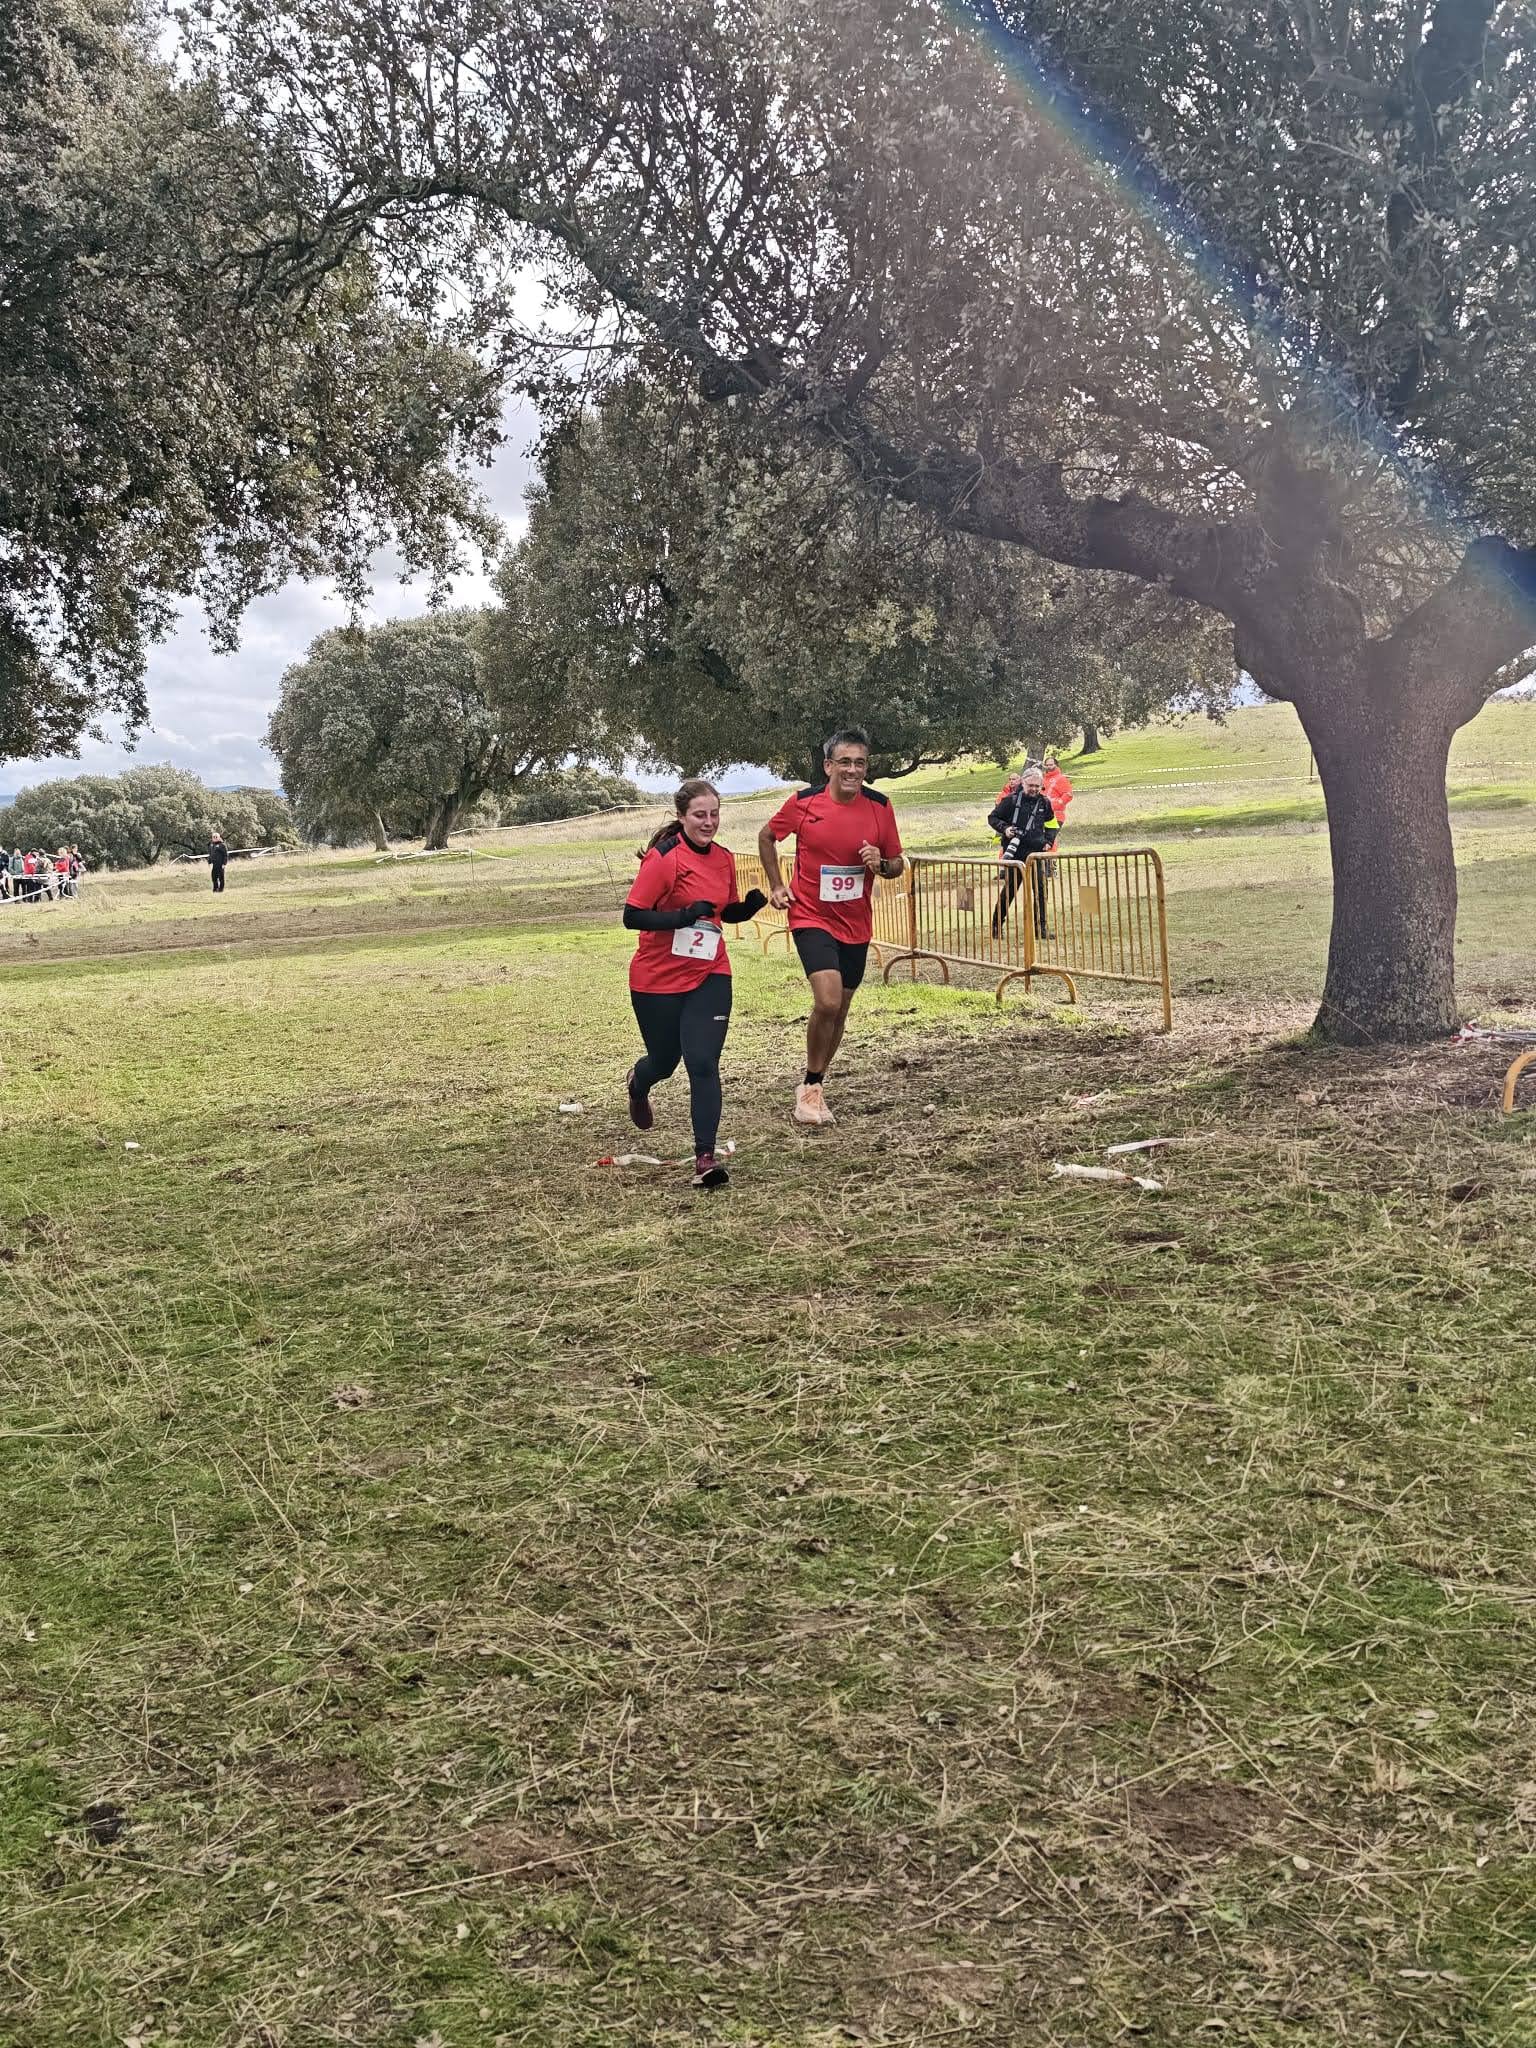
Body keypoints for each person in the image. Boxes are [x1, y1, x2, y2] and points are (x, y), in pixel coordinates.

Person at [622, 779, 766, 1190]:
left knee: (702, 1063)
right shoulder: (665, 857)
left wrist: (750, 906)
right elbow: (633, 916)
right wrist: (683, 915)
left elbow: (723, 913)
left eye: (715, 814)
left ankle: (705, 1158)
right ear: (682, 816)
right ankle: (638, 1082)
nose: (709, 822)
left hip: (709, 973)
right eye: (700, 815)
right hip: (657, 979)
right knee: (664, 1062)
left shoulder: (723, 858)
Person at [759, 726, 904, 1127]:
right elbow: (767, 837)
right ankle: (809, 1089)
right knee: (827, 1001)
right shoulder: (804, 803)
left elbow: (897, 864)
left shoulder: (880, 806)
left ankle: (814, 1085)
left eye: (860, 762)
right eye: (844, 762)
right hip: (810, 915)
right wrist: (776, 884)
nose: (853, 769)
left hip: (855, 923)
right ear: (828, 766)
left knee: (840, 1010)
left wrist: (882, 863)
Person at [987, 764, 1059, 940]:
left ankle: (1041, 929)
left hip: (1036, 855)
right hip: (1016, 855)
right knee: (1009, 892)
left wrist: (1048, 842)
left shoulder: (1045, 802)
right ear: (1023, 783)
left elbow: (1052, 824)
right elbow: (992, 818)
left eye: (1037, 786)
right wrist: (1005, 829)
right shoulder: (1010, 801)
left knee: (1041, 893)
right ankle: (996, 926)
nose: (1034, 789)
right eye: (1030, 785)